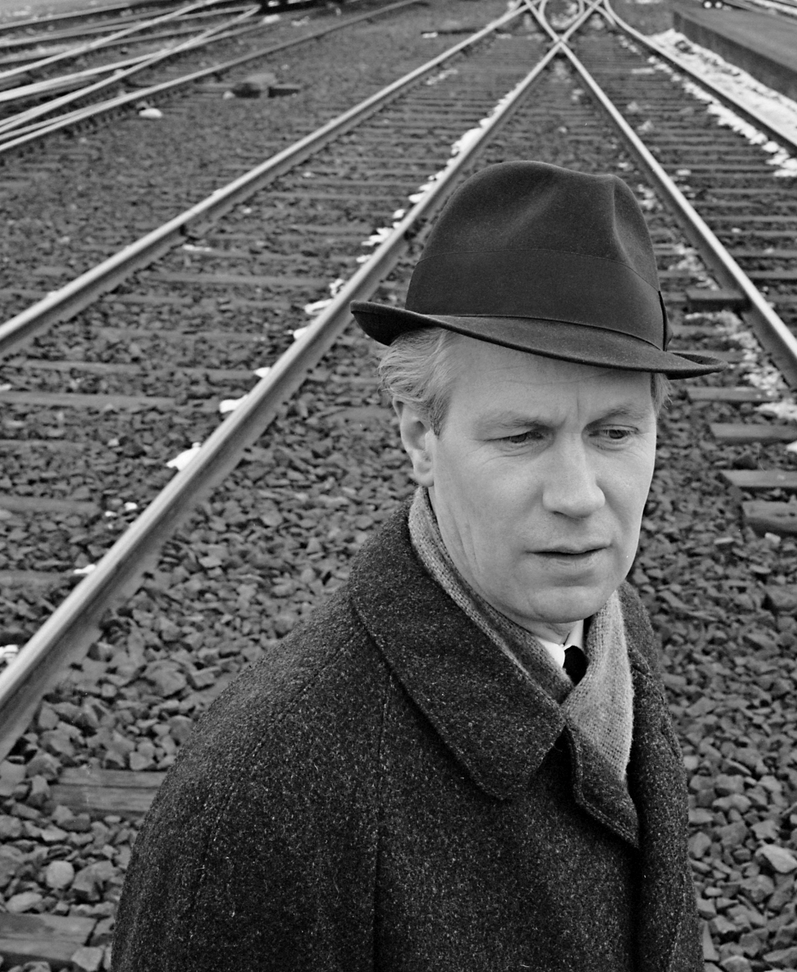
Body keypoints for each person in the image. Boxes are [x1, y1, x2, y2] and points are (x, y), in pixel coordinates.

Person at [112, 160, 724, 971]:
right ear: (419, 439)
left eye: (615, 433)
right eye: (522, 436)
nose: (579, 496)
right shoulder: (260, 797)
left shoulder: (615, 632)